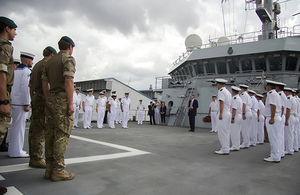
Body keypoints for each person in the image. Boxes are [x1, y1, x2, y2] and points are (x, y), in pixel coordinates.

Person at [41, 35, 76, 181]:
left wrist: (47, 100)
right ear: (70, 47)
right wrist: (70, 103)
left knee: (50, 134)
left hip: (51, 99)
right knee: (62, 134)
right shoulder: (67, 59)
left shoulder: (49, 61)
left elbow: (44, 83)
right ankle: (59, 170)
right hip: (62, 99)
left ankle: (49, 168)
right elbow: (69, 81)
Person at [28, 46, 56, 168]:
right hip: (43, 98)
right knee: (41, 130)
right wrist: (47, 102)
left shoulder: (36, 65)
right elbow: (47, 85)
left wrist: (33, 99)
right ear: (51, 54)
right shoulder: (47, 64)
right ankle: (37, 157)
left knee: (34, 128)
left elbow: (31, 87)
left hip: (35, 97)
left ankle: (33, 155)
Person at [8, 52, 34, 158]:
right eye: (31, 60)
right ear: (27, 61)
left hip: (13, 101)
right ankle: (16, 151)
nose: (32, 63)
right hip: (20, 103)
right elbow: (25, 88)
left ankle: (12, 150)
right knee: (19, 128)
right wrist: (26, 103)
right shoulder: (25, 71)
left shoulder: (15, 70)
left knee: (14, 126)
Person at [0, 16, 17, 156]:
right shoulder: (4, 46)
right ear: (7, 28)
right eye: (14, 30)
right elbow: (1, 73)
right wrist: (4, 100)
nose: (15, 33)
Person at [263, 80, 282, 163]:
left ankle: (275, 156)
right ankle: (277, 154)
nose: (266, 87)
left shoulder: (271, 94)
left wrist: (272, 118)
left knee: (273, 138)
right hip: (277, 117)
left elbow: (273, 106)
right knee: (277, 137)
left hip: (272, 118)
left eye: (267, 86)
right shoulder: (276, 94)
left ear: (269, 87)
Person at [215, 79, 231, 155]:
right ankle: (226, 147)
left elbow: (222, 102)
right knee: (226, 132)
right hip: (228, 112)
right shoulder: (228, 92)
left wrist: (220, 113)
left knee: (222, 132)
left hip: (223, 113)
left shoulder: (221, 91)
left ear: (219, 84)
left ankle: (225, 149)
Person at [283, 87, 296, 155]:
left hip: (289, 117)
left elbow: (288, 110)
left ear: (286, 92)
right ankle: (291, 148)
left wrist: (286, 120)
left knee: (288, 134)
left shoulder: (288, 99)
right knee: (291, 133)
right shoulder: (293, 99)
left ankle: (289, 149)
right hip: (293, 116)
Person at [239, 84, 252, 149]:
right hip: (249, 112)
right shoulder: (248, 96)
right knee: (248, 128)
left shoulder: (243, 95)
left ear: (243, 89)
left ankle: (245, 143)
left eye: (240, 89)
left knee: (244, 129)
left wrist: (243, 113)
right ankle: (247, 141)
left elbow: (243, 104)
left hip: (245, 113)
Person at [275, 82, 287, 158]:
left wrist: (280, 116)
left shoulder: (281, 95)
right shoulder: (282, 95)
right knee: (280, 135)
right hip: (281, 116)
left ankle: (278, 153)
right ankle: (281, 151)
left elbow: (282, 107)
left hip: (280, 115)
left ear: (278, 88)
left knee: (278, 135)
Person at [229, 86, 242, 151]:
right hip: (239, 116)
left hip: (235, 116)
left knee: (234, 132)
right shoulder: (239, 98)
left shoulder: (235, 98)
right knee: (237, 132)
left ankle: (235, 146)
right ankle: (237, 145)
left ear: (233, 91)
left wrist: (232, 118)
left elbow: (234, 109)